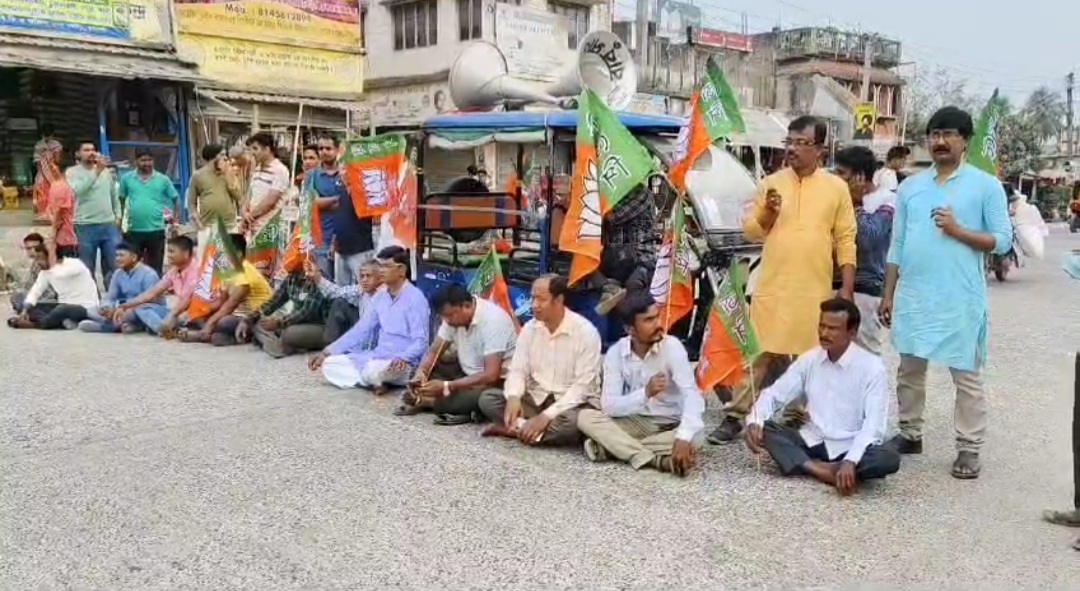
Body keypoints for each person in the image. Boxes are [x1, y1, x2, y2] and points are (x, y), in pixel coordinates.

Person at [880, 106, 1013, 480]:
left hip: (960, 297)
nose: (940, 141)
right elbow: (897, 244)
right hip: (915, 295)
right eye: (934, 134)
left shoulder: (985, 185)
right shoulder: (911, 187)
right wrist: (888, 294)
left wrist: (958, 232)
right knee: (909, 370)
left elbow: (1003, 241)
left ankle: (969, 448)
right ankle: (910, 433)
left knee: (965, 374)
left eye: (949, 134)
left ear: (965, 140)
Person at [710, 115, 857, 443]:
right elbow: (751, 231)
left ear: (820, 149)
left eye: (801, 143)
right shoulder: (771, 184)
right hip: (774, 286)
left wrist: (846, 288)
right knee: (759, 353)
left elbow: (846, 238)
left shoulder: (836, 188)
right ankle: (736, 415)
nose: (792, 149)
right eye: (789, 142)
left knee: (812, 356)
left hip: (815, 290)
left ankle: (797, 415)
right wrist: (769, 213)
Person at [745, 298, 900, 495]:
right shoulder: (810, 359)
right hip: (813, 440)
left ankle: (812, 464)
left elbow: (874, 426)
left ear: (852, 332)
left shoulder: (872, 368)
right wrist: (756, 421)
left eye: (833, 329)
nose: (824, 333)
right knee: (762, 426)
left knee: (888, 457)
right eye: (822, 326)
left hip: (850, 444)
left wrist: (851, 460)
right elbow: (774, 394)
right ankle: (819, 469)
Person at [577, 293, 704, 476]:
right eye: (648, 320)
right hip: (637, 420)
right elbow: (609, 406)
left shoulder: (672, 347)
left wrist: (683, 437)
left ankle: (610, 447)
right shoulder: (616, 353)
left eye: (657, 317)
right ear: (630, 329)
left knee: (696, 437)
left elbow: (692, 396)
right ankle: (655, 460)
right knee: (586, 417)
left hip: (673, 421)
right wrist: (645, 393)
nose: (658, 324)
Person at [478, 274, 602, 447]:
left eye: (541, 300)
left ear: (559, 300)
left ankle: (513, 430)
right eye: (532, 298)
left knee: (573, 423)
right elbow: (518, 369)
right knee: (488, 399)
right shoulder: (530, 329)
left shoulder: (585, 332)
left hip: (570, 405)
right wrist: (514, 396)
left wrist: (546, 416)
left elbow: (583, 387)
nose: (534, 305)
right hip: (537, 397)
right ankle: (528, 430)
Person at [310, 246, 430, 393]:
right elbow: (361, 330)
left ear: (401, 270)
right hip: (377, 357)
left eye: (386, 266)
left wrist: (403, 358)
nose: (381, 271)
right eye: (380, 266)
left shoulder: (416, 298)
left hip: (403, 363)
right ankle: (377, 382)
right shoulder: (381, 296)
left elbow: (421, 342)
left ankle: (376, 380)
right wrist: (327, 352)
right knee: (330, 364)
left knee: (374, 370)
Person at [397, 284, 517, 425]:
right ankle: (445, 402)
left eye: (449, 315)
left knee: (485, 398)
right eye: (443, 316)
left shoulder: (493, 321)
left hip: (491, 382)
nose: (446, 320)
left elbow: (491, 375)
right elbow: (434, 351)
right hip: (465, 373)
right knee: (422, 370)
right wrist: (421, 374)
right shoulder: (452, 318)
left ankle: (428, 402)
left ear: (467, 306)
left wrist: (447, 386)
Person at [833, 146, 894, 355]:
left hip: (864, 290)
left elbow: (869, 240)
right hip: (831, 285)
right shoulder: (834, 196)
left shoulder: (886, 201)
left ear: (859, 176)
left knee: (864, 354)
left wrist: (856, 202)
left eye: (841, 173)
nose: (836, 178)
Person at [177, 235, 273, 346]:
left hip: (253, 317)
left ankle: (203, 334)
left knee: (223, 322)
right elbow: (221, 301)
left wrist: (210, 323)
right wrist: (201, 310)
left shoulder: (245, 274)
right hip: (236, 314)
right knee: (201, 315)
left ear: (238, 254)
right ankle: (215, 335)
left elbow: (229, 306)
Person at [311, 135, 374, 285]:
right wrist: (335, 242)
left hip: (360, 249)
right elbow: (339, 216)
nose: (343, 171)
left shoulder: (365, 188)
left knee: (364, 287)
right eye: (342, 167)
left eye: (347, 167)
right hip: (340, 248)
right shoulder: (341, 187)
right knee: (339, 290)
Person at [237, 265, 330, 358]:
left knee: (289, 334)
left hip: (321, 326)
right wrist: (247, 319)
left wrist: (279, 323)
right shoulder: (291, 278)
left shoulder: (316, 277)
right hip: (297, 323)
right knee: (259, 322)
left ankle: (279, 344)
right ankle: (280, 344)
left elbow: (307, 312)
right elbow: (273, 302)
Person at [118, 236, 200, 335]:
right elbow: (152, 292)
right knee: (140, 307)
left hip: (194, 315)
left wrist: (171, 315)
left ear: (185, 253)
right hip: (178, 312)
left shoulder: (196, 270)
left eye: (172, 252)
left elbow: (187, 300)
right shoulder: (174, 271)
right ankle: (161, 328)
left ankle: (162, 330)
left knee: (138, 314)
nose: (169, 255)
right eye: (168, 252)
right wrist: (125, 305)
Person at [7, 241, 99, 330]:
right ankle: (63, 322)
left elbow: (60, 274)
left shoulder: (75, 264)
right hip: (62, 304)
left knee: (61, 309)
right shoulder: (46, 271)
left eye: (40, 258)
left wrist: (51, 255)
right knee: (22, 301)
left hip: (85, 308)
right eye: (36, 259)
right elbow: (36, 291)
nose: (37, 262)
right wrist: (25, 309)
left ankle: (35, 324)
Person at [66, 141, 121, 284]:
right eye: (86, 150)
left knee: (115, 265)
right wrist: (96, 172)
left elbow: (114, 195)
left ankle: (113, 295)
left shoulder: (106, 172)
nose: (91, 152)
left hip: (108, 225)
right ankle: (91, 296)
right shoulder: (72, 172)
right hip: (85, 226)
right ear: (78, 154)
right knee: (87, 267)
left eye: (93, 149)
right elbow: (78, 191)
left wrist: (118, 216)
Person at [78, 242, 162, 333]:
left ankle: (106, 327)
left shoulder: (149, 274)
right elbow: (111, 297)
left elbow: (150, 300)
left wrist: (125, 308)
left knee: (131, 314)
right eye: (116, 255)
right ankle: (127, 325)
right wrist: (107, 308)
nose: (117, 259)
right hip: (121, 308)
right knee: (93, 311)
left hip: (145, 309)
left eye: (121, 255)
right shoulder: (118, 273)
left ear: (134, 257)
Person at [119, 150, 180, 274]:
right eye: (143, 160)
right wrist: (120, 222)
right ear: (136, 161)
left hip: (156, 230)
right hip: (133, 231)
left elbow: (175, 199)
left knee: (156, 267)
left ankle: (155, 286)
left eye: (149, 160)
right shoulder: (127, 179)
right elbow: (121, 200)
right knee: (132, 267)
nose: (147, 163)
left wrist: (175, 221)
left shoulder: (162, 179)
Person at [187, 144, 244, 263]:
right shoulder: (198, 176)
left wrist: (228, 176)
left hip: (229, 226)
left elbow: (239, 196)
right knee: (206, 263)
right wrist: (198, 224)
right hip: (207, 227)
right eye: (222, 155)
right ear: (212, 157)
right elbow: (191, 203)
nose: (226, 158)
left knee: (229, 263)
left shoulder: (229, 173)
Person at [310, 258, 383, 344]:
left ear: (380, 278)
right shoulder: (360, 290)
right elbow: (336, 292)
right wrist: (317, 277)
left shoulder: (386, 295)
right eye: (362, 276)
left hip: (380, 342)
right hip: (362, 337)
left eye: (368, 276)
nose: (364, 280)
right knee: (339, 302)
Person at [243, 132, 289, 251]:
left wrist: (249, 216)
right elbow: (249, 194)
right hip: (253, 227)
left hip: (270, 228)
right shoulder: (257, 169)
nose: (252, 152)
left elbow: (271, 201)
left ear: (267, 149)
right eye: (250, 149)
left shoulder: (280, 170)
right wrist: (244, 212)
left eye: (255, 148)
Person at [11, 233, 57, 313]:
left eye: (36, 248)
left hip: (51, 300)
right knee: (18, 295)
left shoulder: (51, 261)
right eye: (29, 248)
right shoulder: (33, 264)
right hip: (38, 298)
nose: (33, 251)